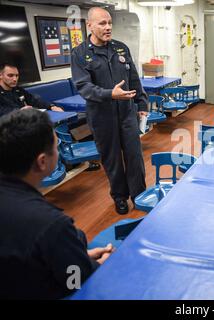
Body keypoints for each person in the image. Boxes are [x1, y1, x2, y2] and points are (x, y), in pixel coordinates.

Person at [0, 109, 113, 299]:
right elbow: (75, 281)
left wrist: (76, 256)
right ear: (42, 162)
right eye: (56, 146)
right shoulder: (52, 224)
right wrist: (100, 265)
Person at [71, 7, 148, 214]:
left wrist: (141, 104)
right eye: (102, 24)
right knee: (112, 159)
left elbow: (133, 79)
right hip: (102, 117)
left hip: (126, 113)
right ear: (90, 25)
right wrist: (109, 94)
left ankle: (139, 195)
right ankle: (120, 197)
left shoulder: (121, 48)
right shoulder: (80, 53)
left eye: (109, 23)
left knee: (134, 156)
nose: (108, 28)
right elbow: (84, 87)